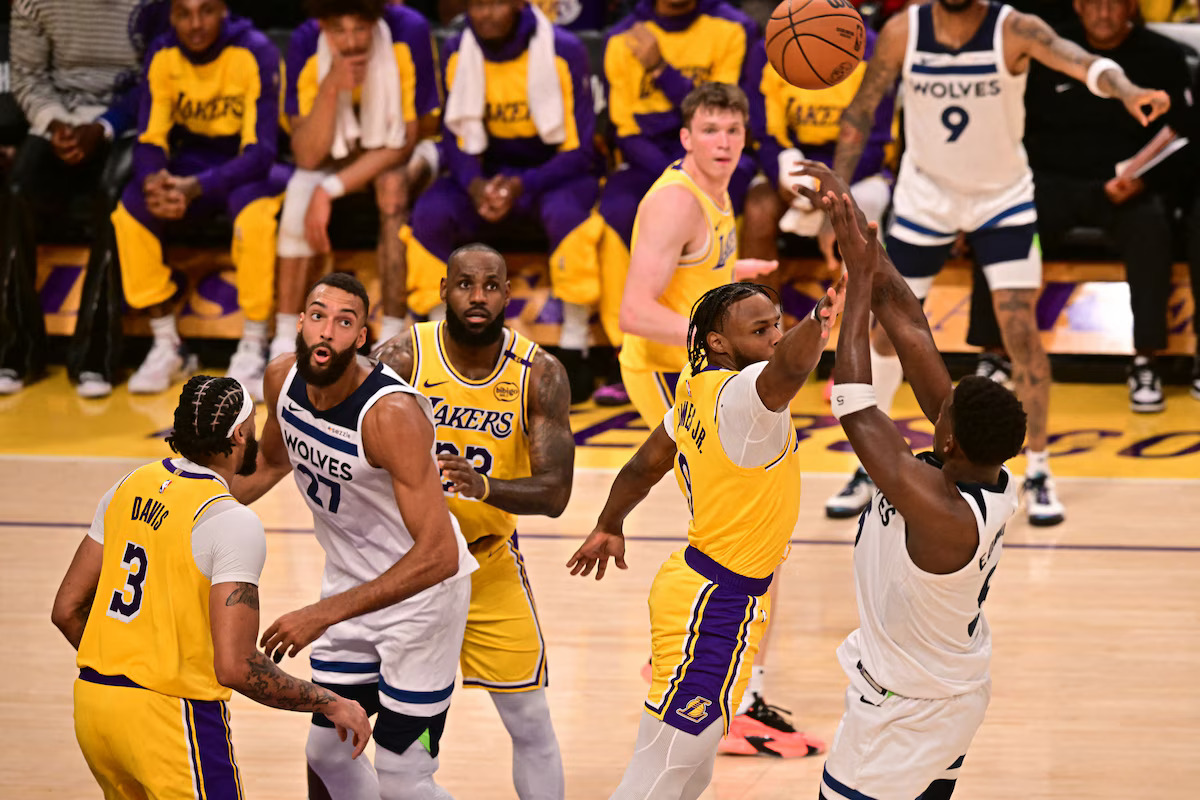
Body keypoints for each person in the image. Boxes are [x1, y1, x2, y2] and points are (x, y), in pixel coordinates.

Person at [829, 0, 1169, 525]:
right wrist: (842, 191)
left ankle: (1038, 466)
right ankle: (868, 463)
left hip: (1002, 199)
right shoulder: (903, 31)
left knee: (1020, 333)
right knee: (883, 334)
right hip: (926, 196)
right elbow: (863, 108)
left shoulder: (1014, 28)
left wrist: (1127, 90)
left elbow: (1081, 60)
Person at [795, 163, 1027, 800]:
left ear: (948, 439)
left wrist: (856, 285)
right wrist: (862, 240)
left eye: (943, 411)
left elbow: (854, 404)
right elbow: (913, 324)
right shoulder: (984, 469)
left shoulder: (942, 511)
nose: (938, 405)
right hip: (949, 688)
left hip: (904, 709)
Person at [567, 273, 844, 798]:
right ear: (718, 342)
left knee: (689, 773)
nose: (775, 339)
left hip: (705, 591)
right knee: (664, 770)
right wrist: (821, 319)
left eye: (779, 325)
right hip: (714, 605)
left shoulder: (697, 388)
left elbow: (642, 467)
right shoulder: (745, 395)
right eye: (761, 330)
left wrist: (609, 524)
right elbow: (791, 367)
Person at [51, 374, 371, 799]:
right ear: (240, 433)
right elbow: (236, 667)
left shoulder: (127, 486)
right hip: (172, 720)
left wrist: (124, 672)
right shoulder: (230, 520)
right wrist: (331, 702)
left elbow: (67, 609)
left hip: (94, 707)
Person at [232, 272, 477, 800]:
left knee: (404, 776)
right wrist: (183, 497)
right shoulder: (281, 378)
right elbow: (270, 463)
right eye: (318, 316)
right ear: (299, 322)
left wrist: (321, 614)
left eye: (345, 322)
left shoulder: (390, 414)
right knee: (327, 753)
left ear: (361, 337)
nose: (327, 332)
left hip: (423, 600)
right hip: (350, 588)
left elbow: (440, 554)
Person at [374, 243, 574, 800]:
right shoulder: (403, 359)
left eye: (491, 285)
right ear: (443, 290)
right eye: (465, 284)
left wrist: (484, 487)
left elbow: (556, 493)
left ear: (509, 294)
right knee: (388, 736)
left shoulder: (541, 373)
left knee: (532, 723)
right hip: (411, 571)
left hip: (488, 567)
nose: (478, 296)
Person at [962, 0, 1193, 413]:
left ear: (1132, 9)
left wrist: (1145, 180)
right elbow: (1016, 128)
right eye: (1094, 4)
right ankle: (993, 352)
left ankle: (1146, 360)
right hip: (1052, 186)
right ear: (1078, 7)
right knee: (1000, 220)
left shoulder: (1162, 56)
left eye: (1114, 5)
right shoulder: (1051, 49)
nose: (1103, 14)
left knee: (1151, 226)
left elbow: (1184, 136)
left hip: (1128, 189)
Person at [404, 0, 601, 401]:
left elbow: (580, 151)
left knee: (570, 213)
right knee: (430, 213)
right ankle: (440, 346)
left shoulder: (565, 49)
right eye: (477, 4)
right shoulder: (457, 49)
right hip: (485, 174)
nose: (486, 14)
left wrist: (520, 185)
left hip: (549, 174)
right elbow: (454, 138)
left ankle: (576, 344)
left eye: (495, 3)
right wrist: (475, 185)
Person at [111, 0, 289, 396]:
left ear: (224, 10)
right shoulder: (162, 52)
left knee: (255, 220)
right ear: (171, 15)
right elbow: (150, 138)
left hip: (249, 165)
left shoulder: (254, 50)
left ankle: (254, 344)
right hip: (191, 161)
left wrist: (198, 187)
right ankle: (166, 343)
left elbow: (261, 152)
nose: (195, 24)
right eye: (183, 14)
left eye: (205, 11)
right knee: (130, 212)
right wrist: (154, 182)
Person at [590, 0, 758, 404]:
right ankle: (590, 341)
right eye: (711, 131)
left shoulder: (719, 176)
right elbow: (635, 314)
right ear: (688, 140)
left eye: (733, 131)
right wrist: (719, 341)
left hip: (696, 362)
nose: (723, 142)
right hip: (664, 368)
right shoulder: (678, 202)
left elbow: (694, 267)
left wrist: (735, 267)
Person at [272, 0, 441, 361]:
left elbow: (407, 140)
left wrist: (330, 187)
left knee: (392, 189)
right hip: (339, 150)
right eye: (338, 30)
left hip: (406, 148)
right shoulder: (305, 41)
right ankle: (283, 340)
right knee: (299, 191)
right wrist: (332, 86)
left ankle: (394, 338)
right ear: (323, 26)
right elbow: (305, 154)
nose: (351, 42)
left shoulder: (407, 29)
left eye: (360, 28)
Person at [0, 0, 142, 397]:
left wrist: (104, 126)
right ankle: (16, 351)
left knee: (114, 198)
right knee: (17, 191)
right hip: (58, 119)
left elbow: (159, 76)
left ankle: (97, 357)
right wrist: (55, 122)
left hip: (126, 122)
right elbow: (27, 78)